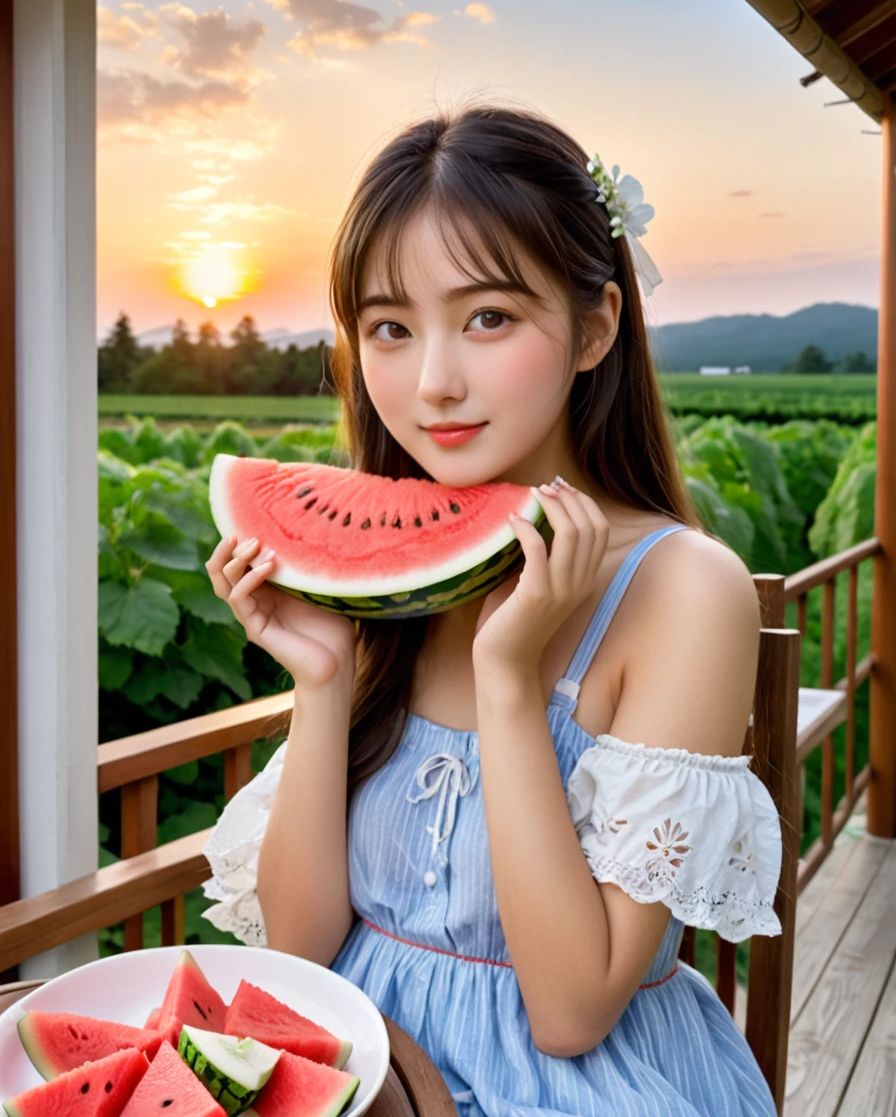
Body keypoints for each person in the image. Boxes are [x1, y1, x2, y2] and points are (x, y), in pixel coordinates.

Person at [201, 101, 783, 1116]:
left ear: (593, 327)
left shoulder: (685, 592)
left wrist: (509, 689)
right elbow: (302, 953)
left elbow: (568, 1011)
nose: (431, 383)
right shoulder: (391, 582)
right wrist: (325, 680)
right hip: (365, 1074)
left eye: (487, 318)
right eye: (389, 328)